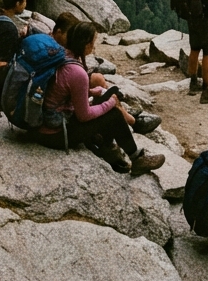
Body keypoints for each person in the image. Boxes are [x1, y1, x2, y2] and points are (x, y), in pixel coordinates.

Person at [36, 21, 165, 175]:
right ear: (86, 44)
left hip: (46, 123)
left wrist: (90, 92)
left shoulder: (62, 55)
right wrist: (110, 103)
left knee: (103, 102)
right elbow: (84, 116)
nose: (94, 47)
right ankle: (137, 159)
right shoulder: (77, 72)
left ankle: (107, 149)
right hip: (54, 134)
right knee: (113, 114)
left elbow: (63, 92)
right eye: (93, 42)